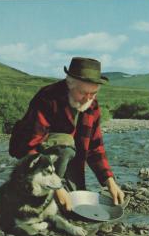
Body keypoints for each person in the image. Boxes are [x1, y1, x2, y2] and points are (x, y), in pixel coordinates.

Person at [9, 57, 125, 212]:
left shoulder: (92, 106)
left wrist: (109, 181)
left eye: (93, 93)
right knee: (65, 143)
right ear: (69, 84)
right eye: (83, 93)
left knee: (74, 204)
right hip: (32, 158)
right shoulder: (48, 98)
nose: (88, 98)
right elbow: (30, 147)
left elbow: (95, 148)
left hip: (67, 161)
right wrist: (56, 188)